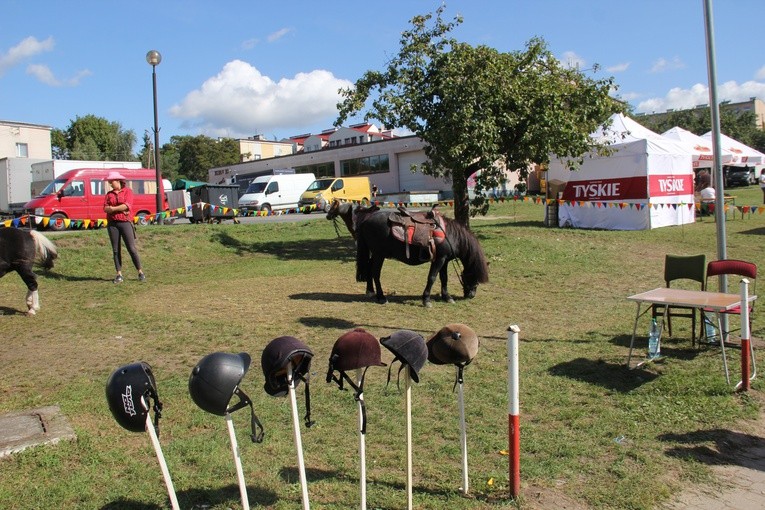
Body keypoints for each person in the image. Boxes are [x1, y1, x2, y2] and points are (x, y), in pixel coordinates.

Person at [103, 171, 145, 283]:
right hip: (112, 224)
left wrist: (113, 209)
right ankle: (119, 274)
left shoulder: (128, 192)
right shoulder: (109, 194)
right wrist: (116, 208)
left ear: (118, 181)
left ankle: (140, 271)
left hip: (125, 222)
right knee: (116, 250)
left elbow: (127, 205)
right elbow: (105, 208)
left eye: (112, 182)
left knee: (131, 248)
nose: (111, 184)